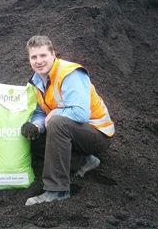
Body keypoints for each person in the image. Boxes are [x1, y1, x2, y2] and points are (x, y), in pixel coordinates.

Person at [21, 35, 115, 206]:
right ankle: (83, 162)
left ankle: (57, 191)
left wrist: (54, 114)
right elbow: (41, 112)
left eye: (43, 55)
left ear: (53, 54)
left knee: (57, 122)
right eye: (34, 57)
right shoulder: (36, 81)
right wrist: (36, 125)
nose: (39, 61)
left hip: (97, 134)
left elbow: (81, 114)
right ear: (29, 59)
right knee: (31, 139)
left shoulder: (70, 73)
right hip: (72, 131)